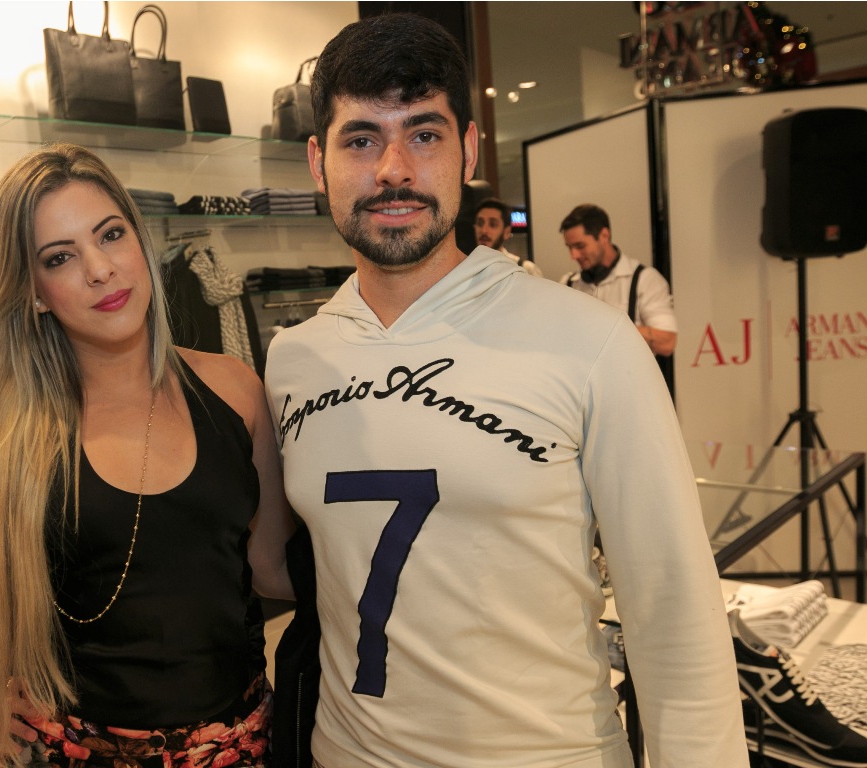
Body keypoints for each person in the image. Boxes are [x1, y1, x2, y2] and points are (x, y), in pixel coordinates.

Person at [263, 13, 747, 768]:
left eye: (424, 134)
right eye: (360, 139)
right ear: (317, 162)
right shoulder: (293, 361)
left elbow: (674, 610)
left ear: (468, 149)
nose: (393, 168)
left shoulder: (588, 343)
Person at [0, 143, 296, 767]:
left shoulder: (235, 390)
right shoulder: (0, 426)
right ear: (33, 291)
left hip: (241, 746)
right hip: (82, 753)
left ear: (140, 241)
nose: (100, 269)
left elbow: (270, 567)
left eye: (111, 235)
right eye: (60, 257)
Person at [559, 204, 677, 357]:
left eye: (580, 246)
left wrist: (605, 326)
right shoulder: (568, 283)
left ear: (604, 235)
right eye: (569, 247)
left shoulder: (644, 279)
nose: (573, 255)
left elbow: (667, 343)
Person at [473, 197, 544, 277]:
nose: (484, 230)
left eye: (493, 224)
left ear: (506, 232)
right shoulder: (468, 268)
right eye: (480, 223)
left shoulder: (525, 269)